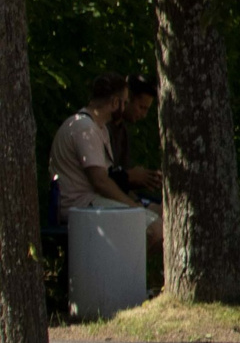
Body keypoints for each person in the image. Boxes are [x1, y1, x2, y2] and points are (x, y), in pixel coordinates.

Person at [49, 74, 158, 235]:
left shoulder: (100, 128)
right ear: (114, 103)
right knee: (155, 229)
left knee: (158, 223)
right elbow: (100, 181)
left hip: (91, 203)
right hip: (79, 207)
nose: (125, 107)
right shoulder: (85, 128)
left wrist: (134, 202)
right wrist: (133, 206)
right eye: (124, 102)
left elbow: (108, 176)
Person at [111, 73, 163, 202]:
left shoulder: (123, 131)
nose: (143, 115)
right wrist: (130, 176)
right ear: (127, 99)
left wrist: (143, 179)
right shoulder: (103, 128)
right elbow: (103, 179)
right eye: (141, 107)